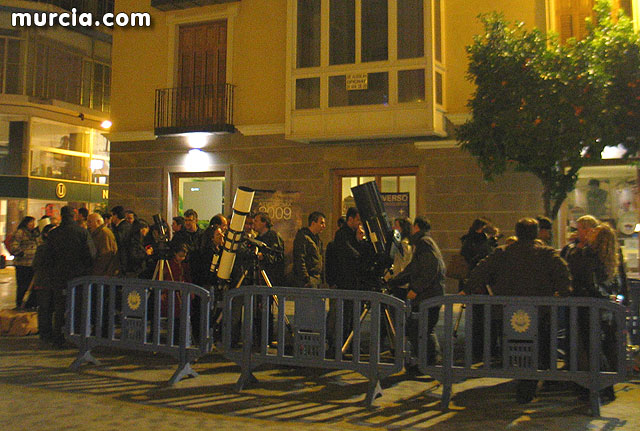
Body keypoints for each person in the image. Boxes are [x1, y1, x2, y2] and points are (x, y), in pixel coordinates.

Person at [463, 217, 571, 404]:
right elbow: (564, 279)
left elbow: (479, 273)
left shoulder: (503, 253)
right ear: (536, 233)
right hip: (540, 312)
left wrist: (471, 289)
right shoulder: (547, 254)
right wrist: (562, 294)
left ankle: (525, 382)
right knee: (539, 347)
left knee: (517, 346)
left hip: (509, 313)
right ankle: (532, 383)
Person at [388, 217, 446, 366]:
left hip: (427, 295)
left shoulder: (423, 243)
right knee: (422, 329)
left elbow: (429, 269)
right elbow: (413, 269)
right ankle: (427, 362)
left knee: (421, 329)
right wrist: (395, 282)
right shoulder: (424, 242)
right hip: (430, 294)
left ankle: (429, 362)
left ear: (417, 227)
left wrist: (416, 289)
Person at [45, 206, 96, 347]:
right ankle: (77, 336)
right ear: (74, 216)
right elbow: (91, 254)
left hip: (59, 275)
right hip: (78, 276)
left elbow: (48, 256)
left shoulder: (53, 234)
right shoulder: (82, 232)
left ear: (61, 216)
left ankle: (58, 337)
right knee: (78, 306)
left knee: (59, 307)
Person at [32, 224, 56, 345]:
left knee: (47, 308)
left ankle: (46, 332)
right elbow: (36, 264)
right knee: (46, 308)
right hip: (45, 282)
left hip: (47, 282)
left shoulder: (45, 248)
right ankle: (46, 333)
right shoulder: (44, 248)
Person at [10, 216, 41, 309]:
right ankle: (20, 303)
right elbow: (14, 246)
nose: (32, 224)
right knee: (22, 285)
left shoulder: (35, 234)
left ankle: (30, 304)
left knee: (31, 285)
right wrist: (22, 253)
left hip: (32, 263)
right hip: (22, 264)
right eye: (30, 222)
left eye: (33, 222)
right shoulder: (20, 232)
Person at [293, 211, 326, 288]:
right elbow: (300, 259)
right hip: (309, 280)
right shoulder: (303, 237)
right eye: (321, 223)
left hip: (316, 279)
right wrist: (306, 279)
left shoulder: (318, 240)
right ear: (313, 223)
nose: (324, 226)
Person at [110, 205, 130, 274]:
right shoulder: (123, 225)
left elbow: (119, 240)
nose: (111, 218)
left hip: (123, 259)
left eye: (112, 215)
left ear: (116, 215)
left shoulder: (123, 226)